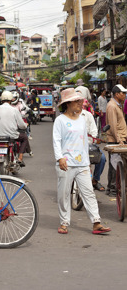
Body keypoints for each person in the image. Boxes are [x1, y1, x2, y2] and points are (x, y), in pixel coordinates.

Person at [53, 88, 111, 235]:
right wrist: (60, 158)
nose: (80, 103)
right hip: (66, 163)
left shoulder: (82, 119)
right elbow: (56, 141)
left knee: (89, 193)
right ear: (68, 103)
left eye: (80, 101)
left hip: (82, 163)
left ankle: (96, 222)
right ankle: (64, 222)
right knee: (64, 194)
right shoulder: (60, 121)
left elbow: (86, 140)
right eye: (77, 101)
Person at [0, 91, 31, 166]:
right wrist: (25, 125)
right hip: (12, 136)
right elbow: (21, 125)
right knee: (24, 138)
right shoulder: (14, 110)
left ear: (1, 100)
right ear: (11, 100)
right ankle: (20, 158)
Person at [105, 84, 127, 195]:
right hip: (116, 139)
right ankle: (113, 187)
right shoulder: (112, 106)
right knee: (115, 164)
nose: (125, 95)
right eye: (123, 93)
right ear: (117, 94)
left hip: (120, 138)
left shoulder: (117, 105)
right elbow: (113, 125)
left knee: (115, 164)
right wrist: (119, 140)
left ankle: (111, 187)